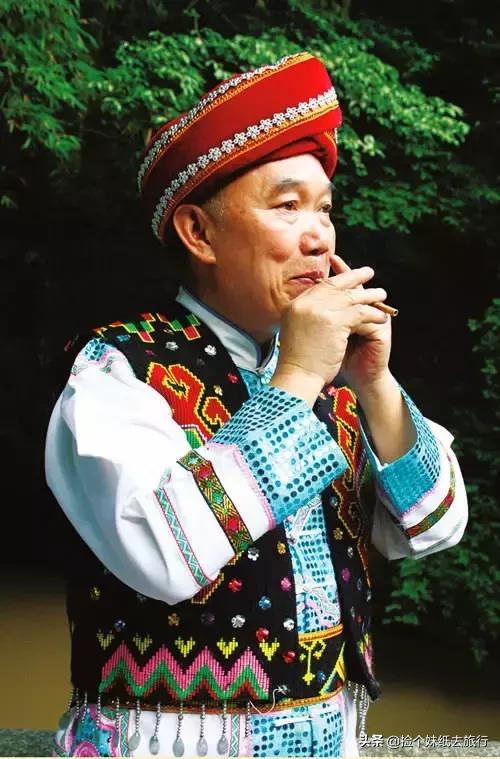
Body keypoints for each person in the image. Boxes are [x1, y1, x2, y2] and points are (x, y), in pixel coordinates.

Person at [45, 52, 467, 758]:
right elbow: (161, 554)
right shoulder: (119, 369)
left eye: (325, 208)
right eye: (287, 205)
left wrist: (375, 383)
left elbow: (436, 524)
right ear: (198, 233)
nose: (319, 235)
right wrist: (297, 375)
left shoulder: (337, 379)